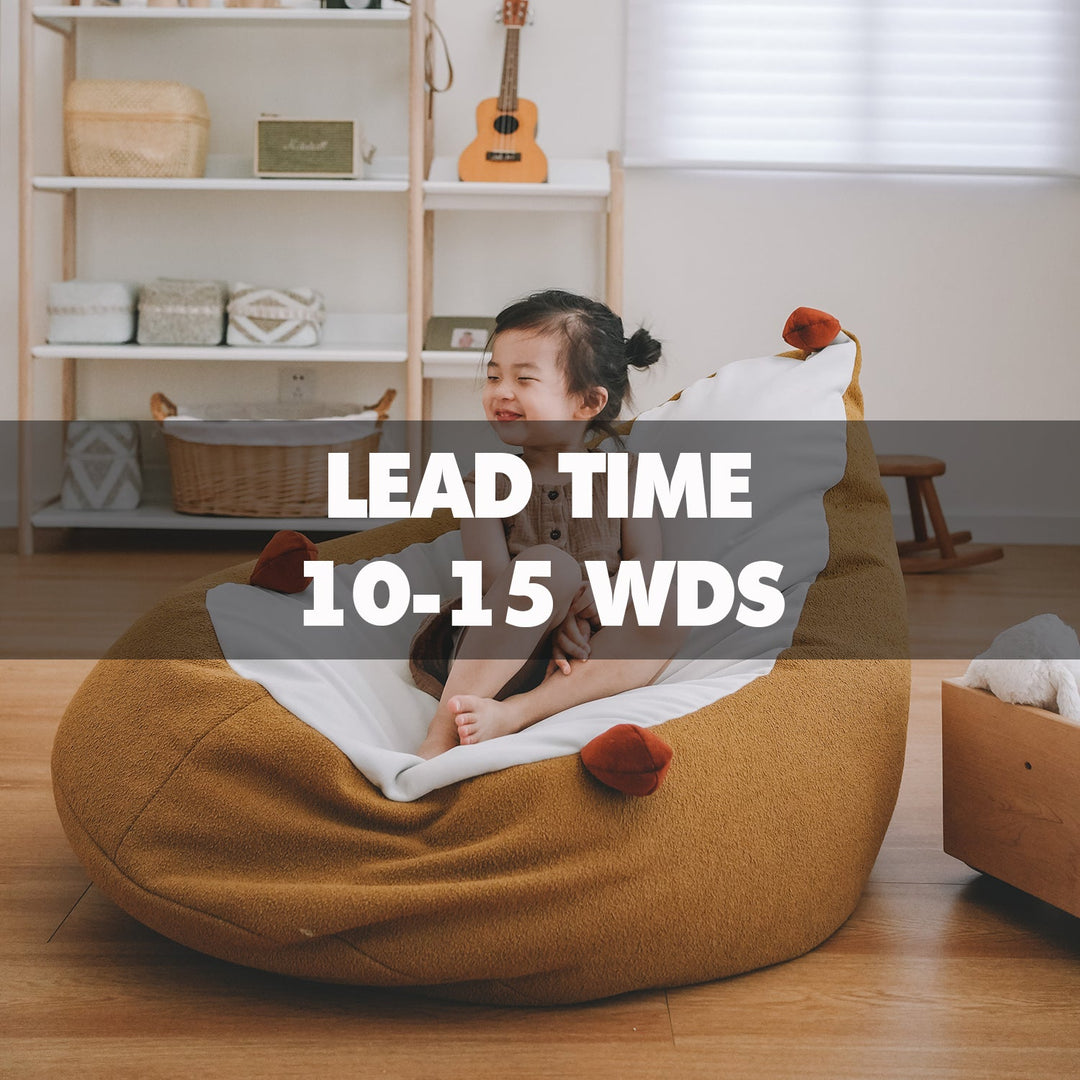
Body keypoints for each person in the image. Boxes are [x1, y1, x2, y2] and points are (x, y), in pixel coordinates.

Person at [410, 288, 684, 759]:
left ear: (588, 402)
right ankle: (441, 733)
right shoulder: (486, 484)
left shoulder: (624, 476)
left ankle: (516, 714)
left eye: (524, 378)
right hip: (497, 655)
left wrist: (605, 599)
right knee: (548, 568)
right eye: (494, 376)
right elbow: (492, 582)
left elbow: (645, 563)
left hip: (584, 661)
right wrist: (558, 619)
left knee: (670, 605)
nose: (501, 392)